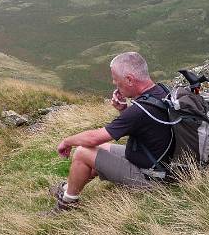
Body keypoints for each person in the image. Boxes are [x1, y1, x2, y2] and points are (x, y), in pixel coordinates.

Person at [50, 52, 173, 212]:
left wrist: (66, 141)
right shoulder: (162, 92)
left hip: (152, 177)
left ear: (129, 79)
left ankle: (67, 204)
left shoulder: (138, 111)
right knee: (102, 149)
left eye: (117, 81)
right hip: (160, 161)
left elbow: (94, 138)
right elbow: (145, 126)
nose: (115, 84)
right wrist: (123, 110)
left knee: (82, 152)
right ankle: (68, 188)